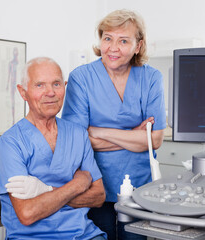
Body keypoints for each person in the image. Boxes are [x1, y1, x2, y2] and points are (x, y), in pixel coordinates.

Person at [62, 9, 166, 240]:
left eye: (123, 40)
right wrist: (134, 136)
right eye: (107, 38)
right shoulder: (81, 78)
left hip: (140, 186)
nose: (113, 47)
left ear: (138, 46)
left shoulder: (151, 78)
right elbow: (76, 141)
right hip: (95, 184)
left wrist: (98, 131)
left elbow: (155, 140)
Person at [0, 57, 107, 240]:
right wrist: (78, 184)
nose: (50, 93)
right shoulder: (11, 142)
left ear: (64, 87)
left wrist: (44, 191)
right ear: (23, 92)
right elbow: (27, 213)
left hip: (84, 235)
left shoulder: (77, 134)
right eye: (39, 85)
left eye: (56, 84)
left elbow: (98, 196)